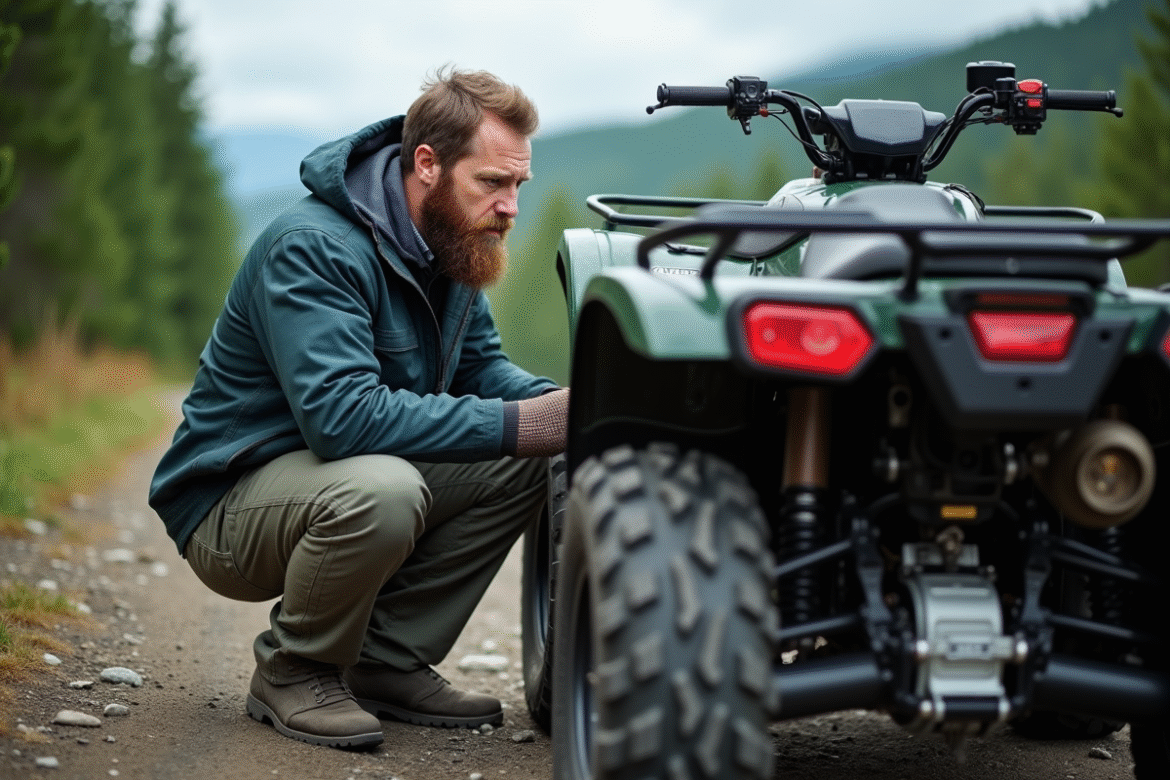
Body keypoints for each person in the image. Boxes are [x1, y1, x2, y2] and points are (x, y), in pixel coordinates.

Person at [148, 68, 568, 749]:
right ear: (427, 164)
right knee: (386, 488)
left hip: (329, 481)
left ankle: (384, 659)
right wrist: (528, 423)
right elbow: (342, 418)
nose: (510, 206)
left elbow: (483, 371)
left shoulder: (448, 246)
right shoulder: (315, 247)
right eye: (492, 182)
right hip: (229, 506)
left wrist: (561, 405)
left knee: (528, 459)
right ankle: (295, 669)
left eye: (519, 185)